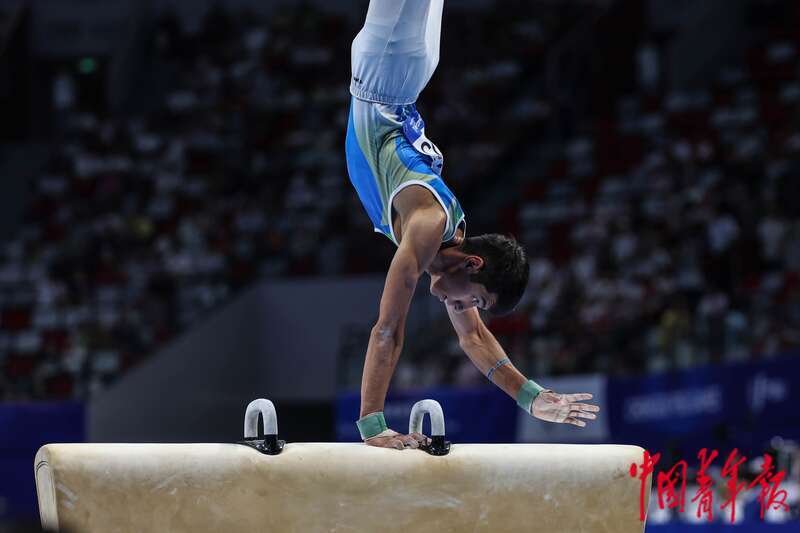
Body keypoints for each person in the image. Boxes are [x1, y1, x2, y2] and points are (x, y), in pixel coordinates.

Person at [345, 0, 599, 450]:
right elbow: (388, 329)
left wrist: (531, 397)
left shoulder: (450, 254)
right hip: (388, 69)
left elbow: (475, 338)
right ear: (473, 264)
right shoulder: (426, 229)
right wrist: (372, 426)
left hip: (404, 71)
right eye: (476, 298)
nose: (467, 306)